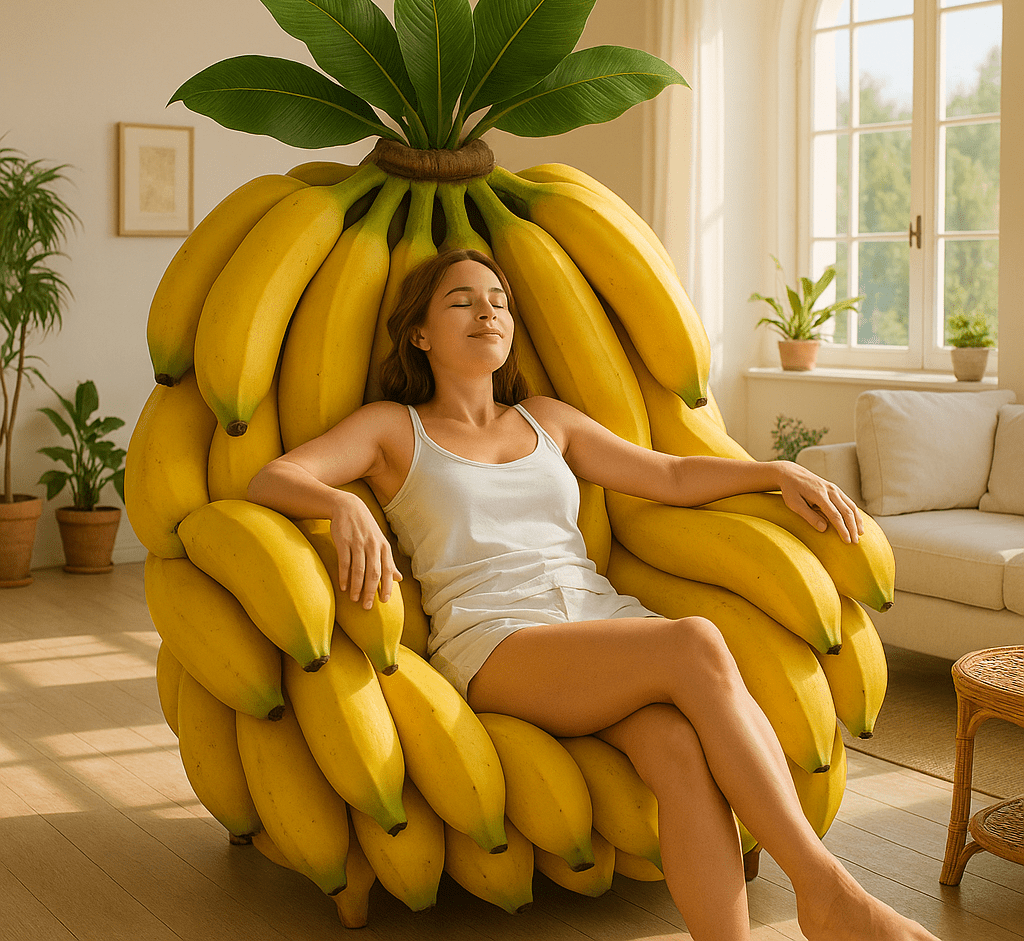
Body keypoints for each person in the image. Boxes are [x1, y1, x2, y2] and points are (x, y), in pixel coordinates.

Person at [248, 248, 940, 941]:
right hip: (497, 643)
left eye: (499, 301)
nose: (487, 312)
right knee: (693, 639)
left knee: (678, 752)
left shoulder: (547, 419)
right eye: (461, 301)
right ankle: (827, 892)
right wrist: (344, 505)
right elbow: (273, 478)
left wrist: (774, 470)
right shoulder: (395, 428)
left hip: (602, 624)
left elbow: (668, 476)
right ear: (420, 334)